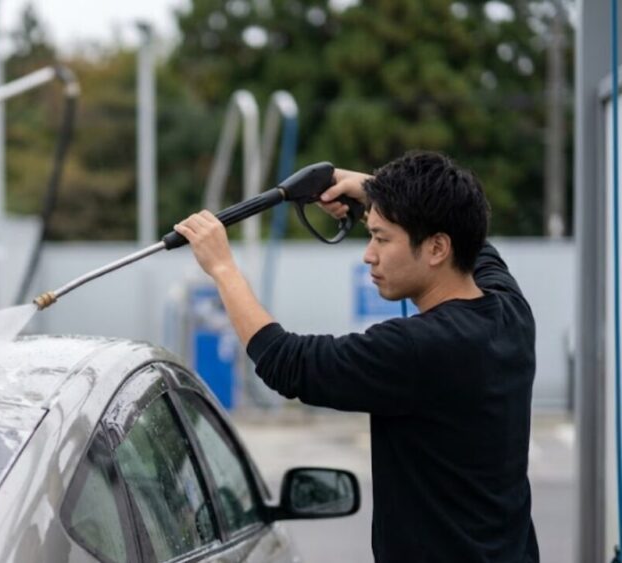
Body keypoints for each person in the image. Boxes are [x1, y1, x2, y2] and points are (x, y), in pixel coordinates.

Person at [174, 151, 539, 562]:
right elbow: (474, 239)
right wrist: (370, 189)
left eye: (382, 238)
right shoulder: (510, 311)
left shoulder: (418, 349)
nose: (369, 254)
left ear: (437, 247)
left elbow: (288, 363)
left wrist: (223, 269)